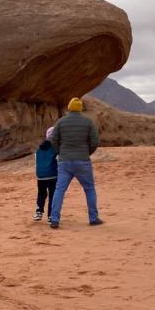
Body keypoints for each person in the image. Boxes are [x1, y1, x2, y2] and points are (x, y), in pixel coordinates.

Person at [49, 97, 103, 229]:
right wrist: (87, 152)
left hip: (65, 161)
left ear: (69, 107)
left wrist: (60, 152)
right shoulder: (88, 122)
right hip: (83, 161)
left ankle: (54, 219)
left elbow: (53, 140)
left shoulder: (61, 122)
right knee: (89, 189)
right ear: (80, 109)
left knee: (59, 190)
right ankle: (93, 218)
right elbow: (95, 141)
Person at [33, 126, 58, 222]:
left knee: (41, 193)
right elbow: (58, 160)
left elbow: (37, 161)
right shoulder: (55, 148)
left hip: (40, 176)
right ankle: (50, 215)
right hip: (52, 175)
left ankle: (39, 211)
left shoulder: (38, 149)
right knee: (52, 194)